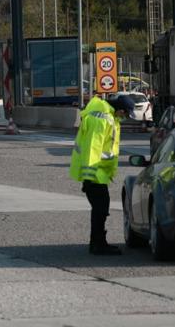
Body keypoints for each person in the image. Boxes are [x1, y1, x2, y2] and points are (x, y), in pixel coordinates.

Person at [70, 94, 136, 255]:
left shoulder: (107, 116)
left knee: (101, 208)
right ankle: (97, 244)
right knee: (100, 209)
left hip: (98, 174)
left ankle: (98, 242)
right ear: (120, 110)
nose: (125, 117)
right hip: (94, 174)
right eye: (126, 114)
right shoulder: (102, 119)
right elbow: (92, 148)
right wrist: (89, 177)